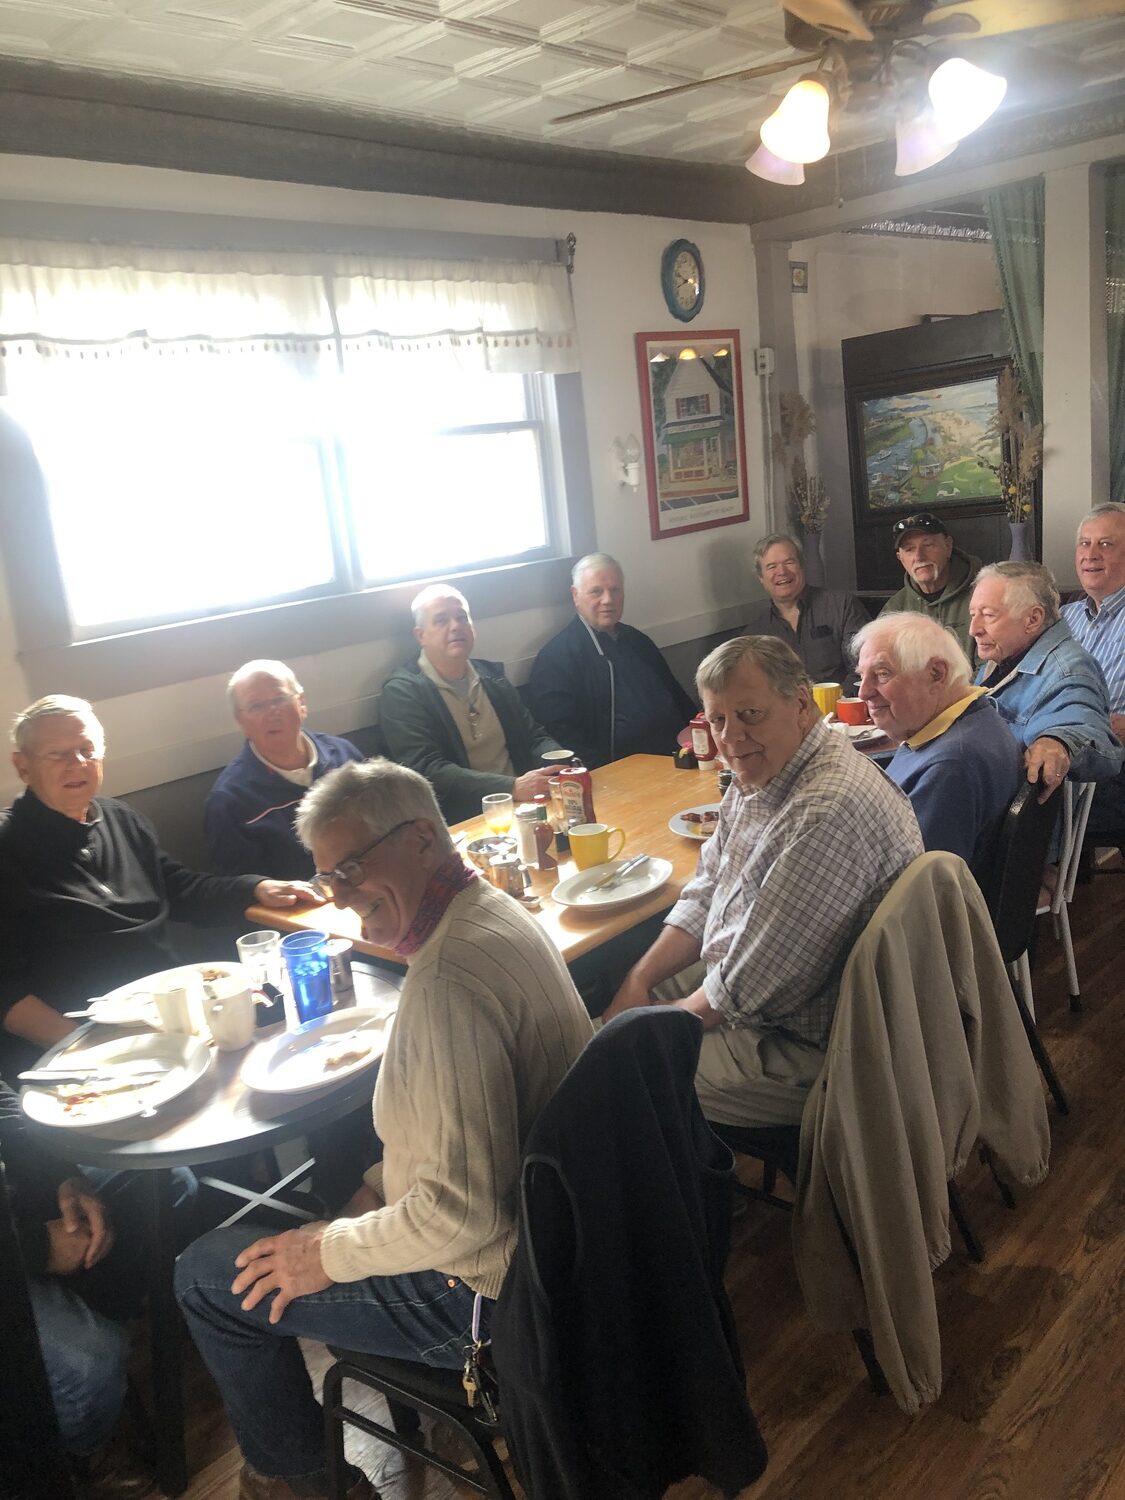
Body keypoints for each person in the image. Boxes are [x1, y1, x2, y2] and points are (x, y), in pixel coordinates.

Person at [175, 758, 592, 1500]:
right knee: (342, 1184)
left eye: (354, 868)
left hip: (486, 1296)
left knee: (207, 1275)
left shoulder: (445, 982)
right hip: (558, 1250)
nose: (341, 897)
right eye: (328, 878)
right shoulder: (492, 914)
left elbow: (463, 1215)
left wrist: (327, 1252)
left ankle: (301, 1486)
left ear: (424, 839)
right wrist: (366, 1200)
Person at [602, 636, 923, 1129]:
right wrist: (638, 981)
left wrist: (656, 1032)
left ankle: (692, 1196)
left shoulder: (824, 807)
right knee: (609, 1016)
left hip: (825, 1044)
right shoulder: (764, 771)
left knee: (622, 1071)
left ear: (800, 705)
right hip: (770, 991)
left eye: (750, 714)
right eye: (717, 719)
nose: (730, 737)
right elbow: (709, 887)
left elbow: (754, 984)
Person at [0, 696, 319, 1081]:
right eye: (58, 755)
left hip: (171, 1014)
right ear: (23, 766)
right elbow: (6, 993)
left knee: (291, 1049)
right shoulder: (7, 847)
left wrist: (257, 888)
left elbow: (181, 890)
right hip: (78, 1041)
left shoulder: (121, 819)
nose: (78, 764)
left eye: (87, 750)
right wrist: (83, 1047)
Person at [1, 1080, 194, 1499]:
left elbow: (3, 1106)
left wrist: (64, 1179)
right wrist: (35, 1248)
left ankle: (89, 1349)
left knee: (167, 1180)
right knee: (89, 1362)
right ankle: (80, 1454)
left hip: (14, 1211)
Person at [852, 613, 1021, 883]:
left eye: (882, 674)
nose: (864, 693)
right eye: (862, 676)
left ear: (936, 674)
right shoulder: (977, 719)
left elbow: (917, 890)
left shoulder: (951, 766)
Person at [380, 585, 563, 824]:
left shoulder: (492, 677)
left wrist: (560, 762)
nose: (455, 626)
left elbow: (533, 736)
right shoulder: (403, 692)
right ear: (420, 635)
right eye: (441, 620)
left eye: (461, 617)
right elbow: (427, 770)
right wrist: (511, 787)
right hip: (462, 820)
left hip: (525, 806)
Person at [969, 562, 1123, 802]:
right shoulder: (1003, 656)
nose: (974, 629)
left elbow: (1085, 725)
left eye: (988, 615)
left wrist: (1058, 741)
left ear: (1033, 619)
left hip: (1002, 824)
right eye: (973, 614)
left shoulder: (1070, 670)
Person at [528, 553, 696, 768]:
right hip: (618, 771)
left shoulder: (638, 641)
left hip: (679, 757)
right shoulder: (556, 658)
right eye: (596, 591)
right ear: (575, 595)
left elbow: (680, 702)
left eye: (615, 590)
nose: (608, 600)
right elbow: (562, 736)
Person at [205, 660, 365, 879]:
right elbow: (240, 892)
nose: (272, 713)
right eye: (256, 706)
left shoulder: (344, 756)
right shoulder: (230, 800)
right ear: (240, 721)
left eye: (279, 699)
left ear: (301, 703)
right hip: (302, 907)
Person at [1061, 503, 1125, 843]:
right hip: (1065, 750)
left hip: (1114, 766)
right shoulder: (1062, 619)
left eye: (1106, 544)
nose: (1091, 554)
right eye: (1084, 543)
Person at [741, 533, 868, 685]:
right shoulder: (755, 634)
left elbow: (863, 667)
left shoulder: (842, 606)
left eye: (789, 562)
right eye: (771, 566)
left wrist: (839, 702)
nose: (782, 572)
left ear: (802, 566)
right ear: (761, 578)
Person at [881, 513, 981, 659]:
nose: (919, 557)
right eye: (909, 550)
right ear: (900, 559)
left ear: (948, 546)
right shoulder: (895, 609)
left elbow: (992, 667)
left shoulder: (982, 595)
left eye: (927, 545)